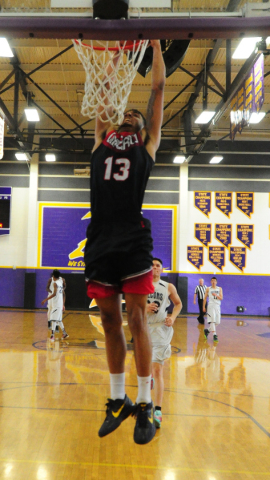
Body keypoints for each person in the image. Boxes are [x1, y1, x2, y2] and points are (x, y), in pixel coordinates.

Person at [84, 40, 165, 445]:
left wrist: (153, 46)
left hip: (132, 235)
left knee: (136, 319)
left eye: (137, 114)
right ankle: (118, 400)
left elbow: (158, 91)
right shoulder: (101, 139)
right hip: (99, 238)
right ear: (117, 118)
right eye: (126, 111)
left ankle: (146, 404)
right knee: (110, 321)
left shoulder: (147, 145)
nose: (132, 114)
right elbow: (102, 95)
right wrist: (114, 62)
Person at [146, 258, 182, 428]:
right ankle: (145, 402)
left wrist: (172, 318)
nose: (155, 268)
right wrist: (144, 308)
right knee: (146, 371)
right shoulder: (140, 286)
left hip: (161, 330)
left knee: (158, 369)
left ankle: (158, 409)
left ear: (161, 269)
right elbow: (130, 308)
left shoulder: (168, 287)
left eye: (158, 266)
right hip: (144, 330)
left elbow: (178, 304)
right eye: (152, 266)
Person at [42, 269, 69, 341]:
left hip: (56, 304)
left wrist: (45, 299)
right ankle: (64, 333)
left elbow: (54, 294)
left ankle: (52, 336)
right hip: (59, 304)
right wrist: (63, 304)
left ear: (53, 276)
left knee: (53, 320)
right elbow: (63, 294)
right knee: (59, 320)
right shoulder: (60, 282)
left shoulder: (55, 283)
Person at [203, 276, 223, 343]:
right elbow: (205, 298)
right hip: (211, 306)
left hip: (217, 306)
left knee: (218, 322)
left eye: (214, 281)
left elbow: (221, 298)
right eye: (212, 281)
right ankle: (214, 335)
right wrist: (203, 307)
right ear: (211, 282)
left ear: (216, 282)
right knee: (212, 321)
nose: (213, 282)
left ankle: (207, 330)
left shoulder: (219, 288)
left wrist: (216, 295)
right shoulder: (208, 289)